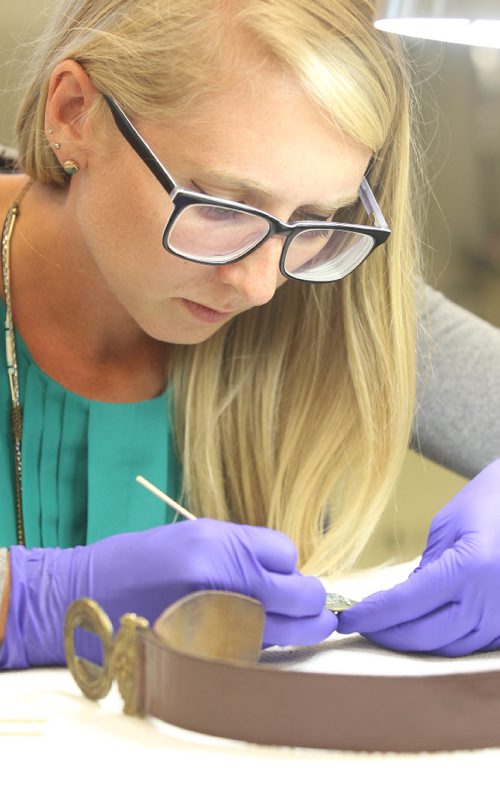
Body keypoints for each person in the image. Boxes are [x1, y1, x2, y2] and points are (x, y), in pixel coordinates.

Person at [0, 0, 499, 669]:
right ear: (74, 113)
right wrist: (26, 601)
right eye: (220, 206)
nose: (260, 286)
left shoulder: (326, 288)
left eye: (319, 215)